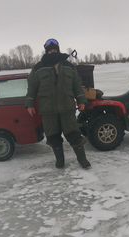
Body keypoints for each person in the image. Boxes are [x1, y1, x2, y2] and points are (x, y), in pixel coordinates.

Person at [25, 38, 91, 169]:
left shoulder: (69, 66)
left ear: (58, 49)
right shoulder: (38, 68)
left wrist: (81, 100)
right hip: (48, 110)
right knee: (53, 137)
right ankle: (60, 161)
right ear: (46, 51)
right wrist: (30, 104)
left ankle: (82, 160)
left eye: (54, 49)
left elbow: (77, 85)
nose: (52, 51)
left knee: (74, 135)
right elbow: (32, 87)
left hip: (67, 108)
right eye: (50, 50)